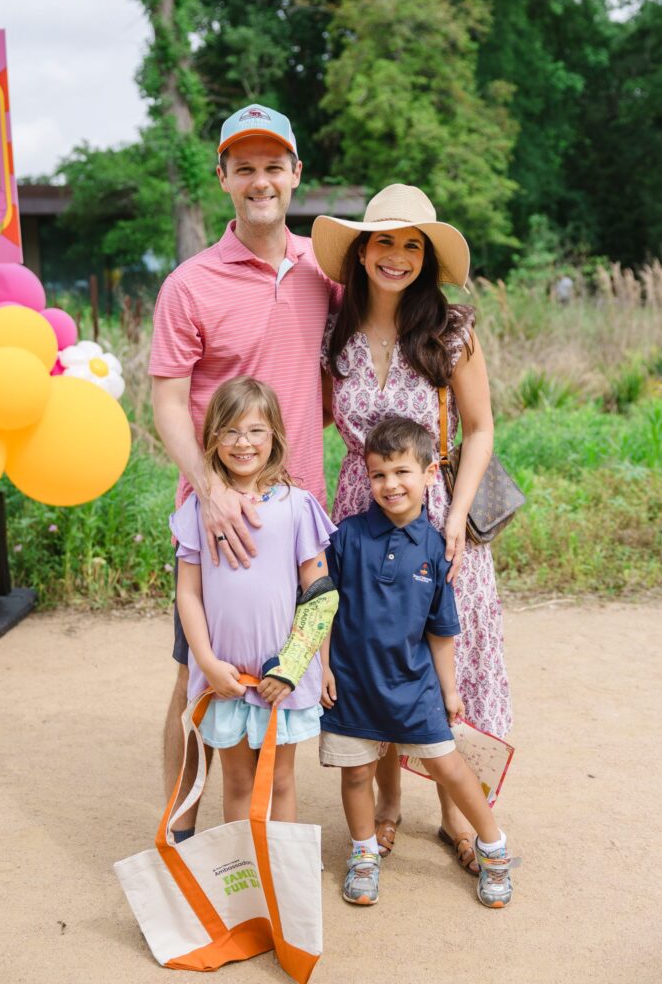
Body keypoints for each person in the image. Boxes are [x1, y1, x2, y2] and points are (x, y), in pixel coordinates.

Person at [150, 104, 340, 837]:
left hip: (300, 516)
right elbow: (168, 401)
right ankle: (182, 829)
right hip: (217, 522)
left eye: (273, 165)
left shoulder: (325, 275)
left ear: (296, 175)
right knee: (198, 679)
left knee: (288, 676)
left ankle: (274, 842)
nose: (259, 180)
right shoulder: (189, 285)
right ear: (223, 178)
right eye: (244, 167)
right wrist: (211, 492)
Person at [313, 183, 511, 873]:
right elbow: (316, 425)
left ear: (425, 257)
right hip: (357, 514)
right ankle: (388, 808)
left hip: (436, 516)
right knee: (373, 656)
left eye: (410, 245)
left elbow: (481, 427)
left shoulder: (449, 329)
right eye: (383, 241)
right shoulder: (333, 333)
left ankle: (458, 816)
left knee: (442, 658)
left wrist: (453, 515)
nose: (395, 256)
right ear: (361, 250)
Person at [320, 417, 516, 907]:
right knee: (356, 774)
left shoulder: (436, 547)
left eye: (403, 472)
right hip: (353, 683)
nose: (390, 485)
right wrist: (322, 667)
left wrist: (449, 691)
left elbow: (441, 628)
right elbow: (322, 605)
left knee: (449, 767)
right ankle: (364, 853)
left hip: (415, 686)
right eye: (378, 475)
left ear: (430, 475)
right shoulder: (345, 536)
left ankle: (493, 848)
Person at [172, 376, 338, 822]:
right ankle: (243, 879)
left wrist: (295, 667)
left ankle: (280, 879)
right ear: (212, 438)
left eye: (256, 431)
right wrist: (205, 662)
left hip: (280, 679)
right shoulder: (198, 509)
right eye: (230, 431)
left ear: (275, 437)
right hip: (224, 678)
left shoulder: (298, 506)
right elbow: (188, 594)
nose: (243, 443)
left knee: (280, 781)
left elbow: (320, 596)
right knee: (239, 783)